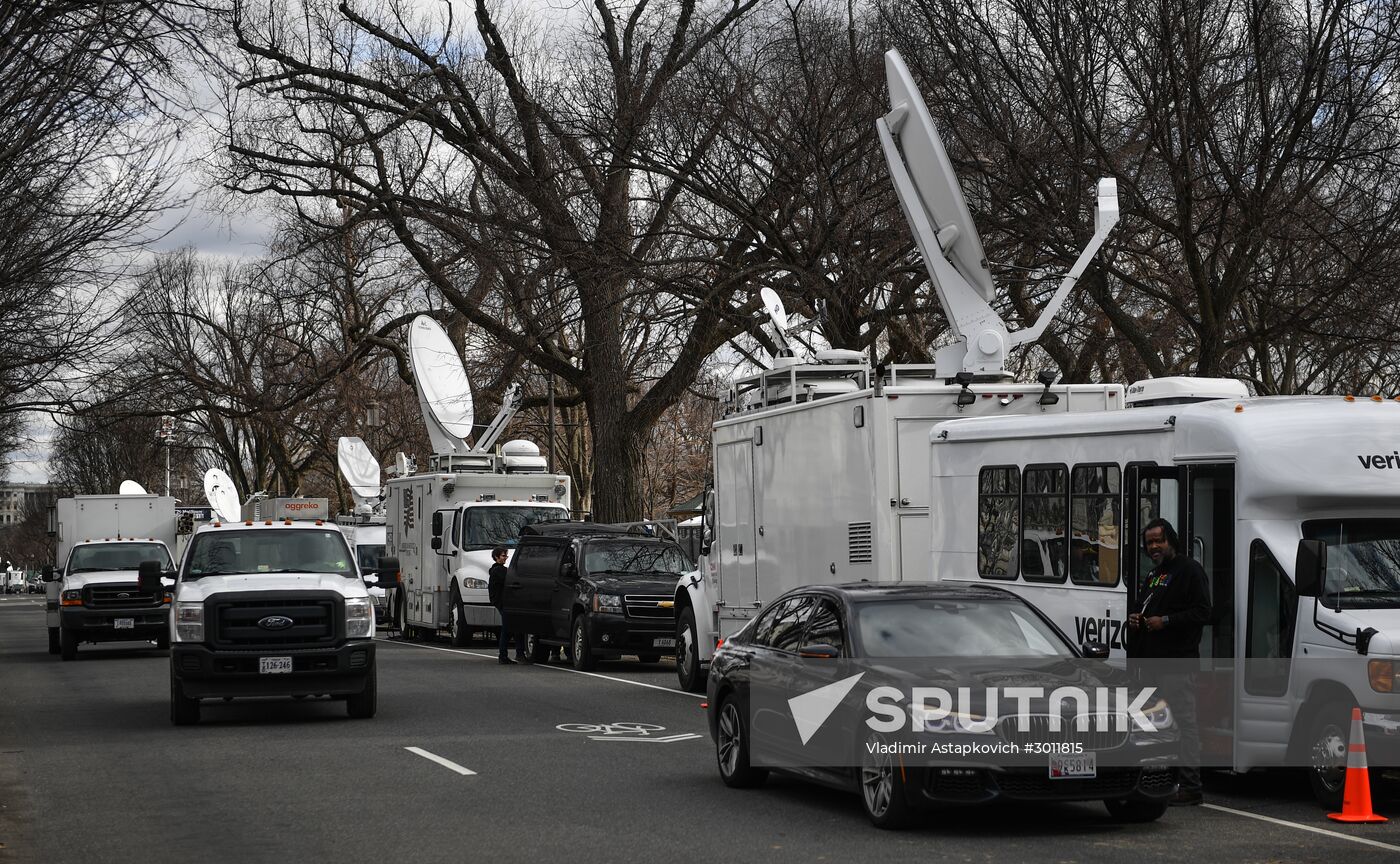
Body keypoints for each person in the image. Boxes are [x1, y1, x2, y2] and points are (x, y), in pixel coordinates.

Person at [1126, 517, 1211, 806]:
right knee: (1151, 724)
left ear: (1171, 540)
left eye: (1158, 541)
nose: (1153, 547)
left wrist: (1167, 621)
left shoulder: (1190, 571)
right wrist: (1136, 619)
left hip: (1178, 663)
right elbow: (1143, 609)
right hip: (1151, 665)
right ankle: (1155, 781)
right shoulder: (1154, 576)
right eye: (1149, 543)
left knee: (1184, 722)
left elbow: (1203, 612)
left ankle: (1191, 787)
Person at [488, 547, 526, 665]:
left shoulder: (498, 570)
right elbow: (510, 580)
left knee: (515, 627)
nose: (505, 558)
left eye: (506, 556)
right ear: (496, 557)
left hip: (505, 603)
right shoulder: (499, 571)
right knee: (508, 628)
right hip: (504, 603)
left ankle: (519, 653)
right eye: (503, 556)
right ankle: (504, 655)